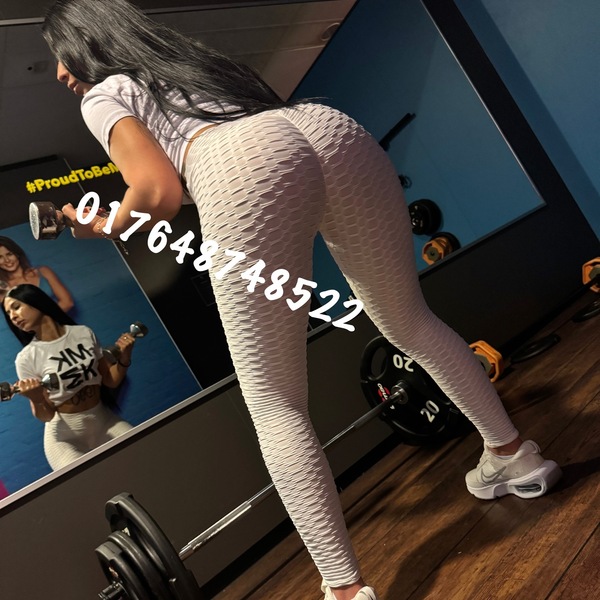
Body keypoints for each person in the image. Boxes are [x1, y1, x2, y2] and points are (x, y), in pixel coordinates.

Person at [41, 1, 562, 598]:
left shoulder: (102, 94)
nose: (59, 72)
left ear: (86, 43)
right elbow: (195, 173)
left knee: (274, 400)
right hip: (325, 130)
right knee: (410, 320)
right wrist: (114, 215)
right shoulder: (189, 65)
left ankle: (345, 589)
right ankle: (514, 455)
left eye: (60, 53)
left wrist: (111, 226)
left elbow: (157, 192)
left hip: (241, 165)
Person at [2, 284, 134, 471]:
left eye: (16, 307)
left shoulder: (83, 333)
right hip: (65, 438)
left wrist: (125, 358)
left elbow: (109, 380)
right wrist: (37, 398)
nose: (13, 317)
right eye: (8, 313)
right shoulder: (26, 358)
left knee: (145, 455)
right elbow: (46, 415)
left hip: (104, 421)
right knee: (94, 482)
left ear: (36, 301)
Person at [0, 236, 74, 312]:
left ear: (17, 254)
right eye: (0, 257)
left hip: (59, 319)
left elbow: (67, 303)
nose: (7, 260)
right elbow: (12, 314)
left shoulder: (43, 271)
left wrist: (45, 319)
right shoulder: (2, 287)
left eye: (9, 254)